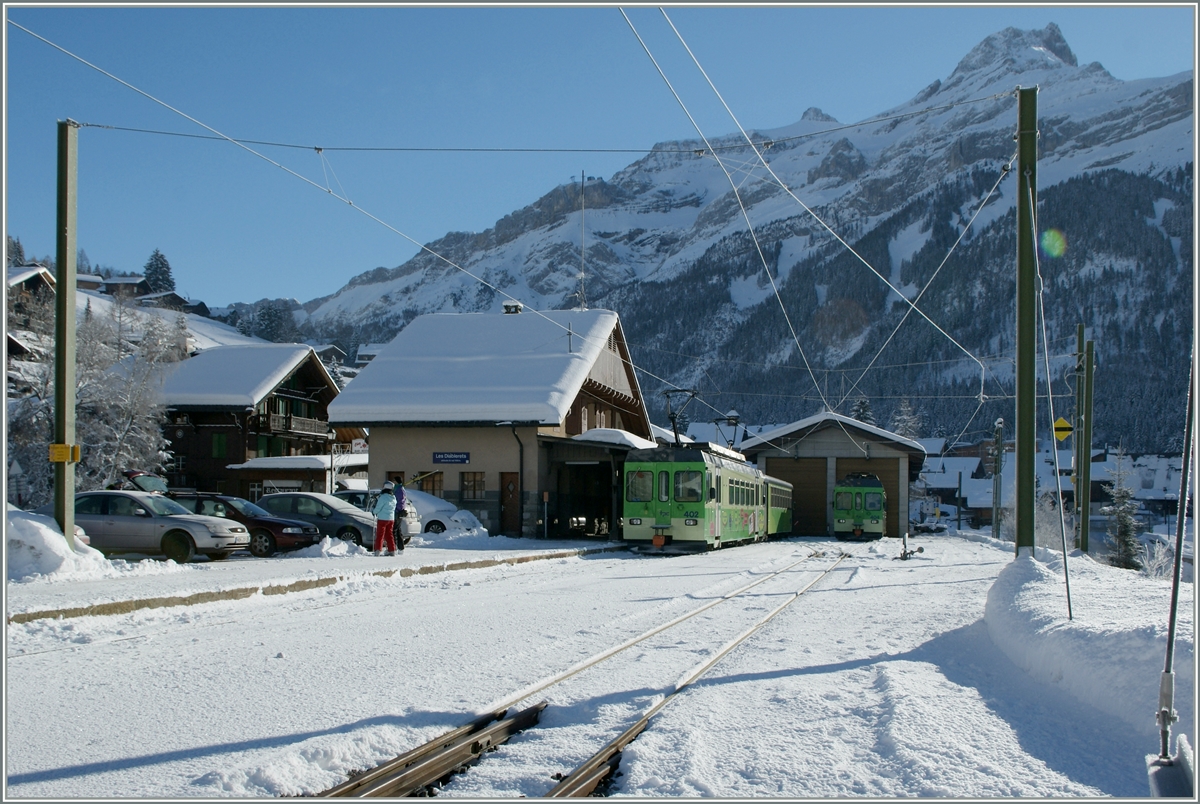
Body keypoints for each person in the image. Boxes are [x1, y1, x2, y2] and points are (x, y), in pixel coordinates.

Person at [372, 481, 402, 556]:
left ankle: (378, 550)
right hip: (391, 519)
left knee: (380, 535)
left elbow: (378, 507)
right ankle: (392, 550)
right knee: (389, 534)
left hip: (382, 519)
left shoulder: (383, 497)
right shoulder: (393, 498)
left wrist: (374, 511)